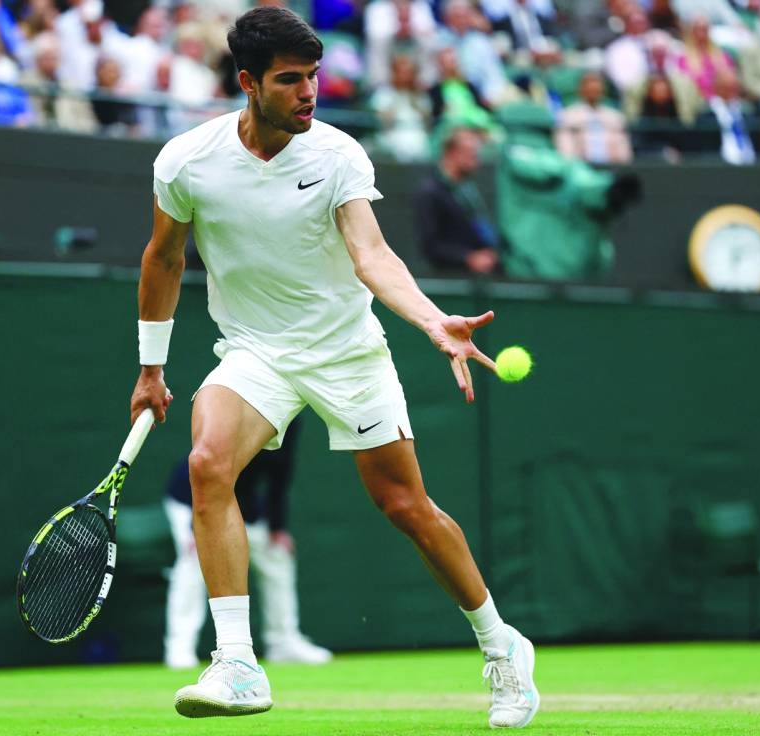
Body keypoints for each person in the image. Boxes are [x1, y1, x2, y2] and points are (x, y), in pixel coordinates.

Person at [129, 6, 539, 729]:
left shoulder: (339, 155)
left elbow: (371, 254)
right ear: (249, 84)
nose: (309, 92)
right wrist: (150, 368)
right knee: (206, 462)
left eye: (314, 76)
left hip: (346, 351)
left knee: (405, 507)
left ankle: (501, 646)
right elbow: (164, 257)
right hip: (256, 351)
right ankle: (237, 664)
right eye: (291, 80)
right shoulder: (186, 160)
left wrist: (428, 319)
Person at [162, 419, 332, 669]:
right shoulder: (239, 407)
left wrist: (277, 528)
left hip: (243, 501)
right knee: (195, 562)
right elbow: (205, 463)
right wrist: (196, 528)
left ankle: (283, 642)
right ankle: (180, 649)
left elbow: (281, 471)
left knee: (277, 554)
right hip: (192, 496)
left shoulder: (292, 417)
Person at [413, 126, 501, 274]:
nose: (477, 162)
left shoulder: (467, 190)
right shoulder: (430, 192)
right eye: (472, 155)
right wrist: (468, 258)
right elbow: (430, 245)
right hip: (447, 278)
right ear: (452, 152)